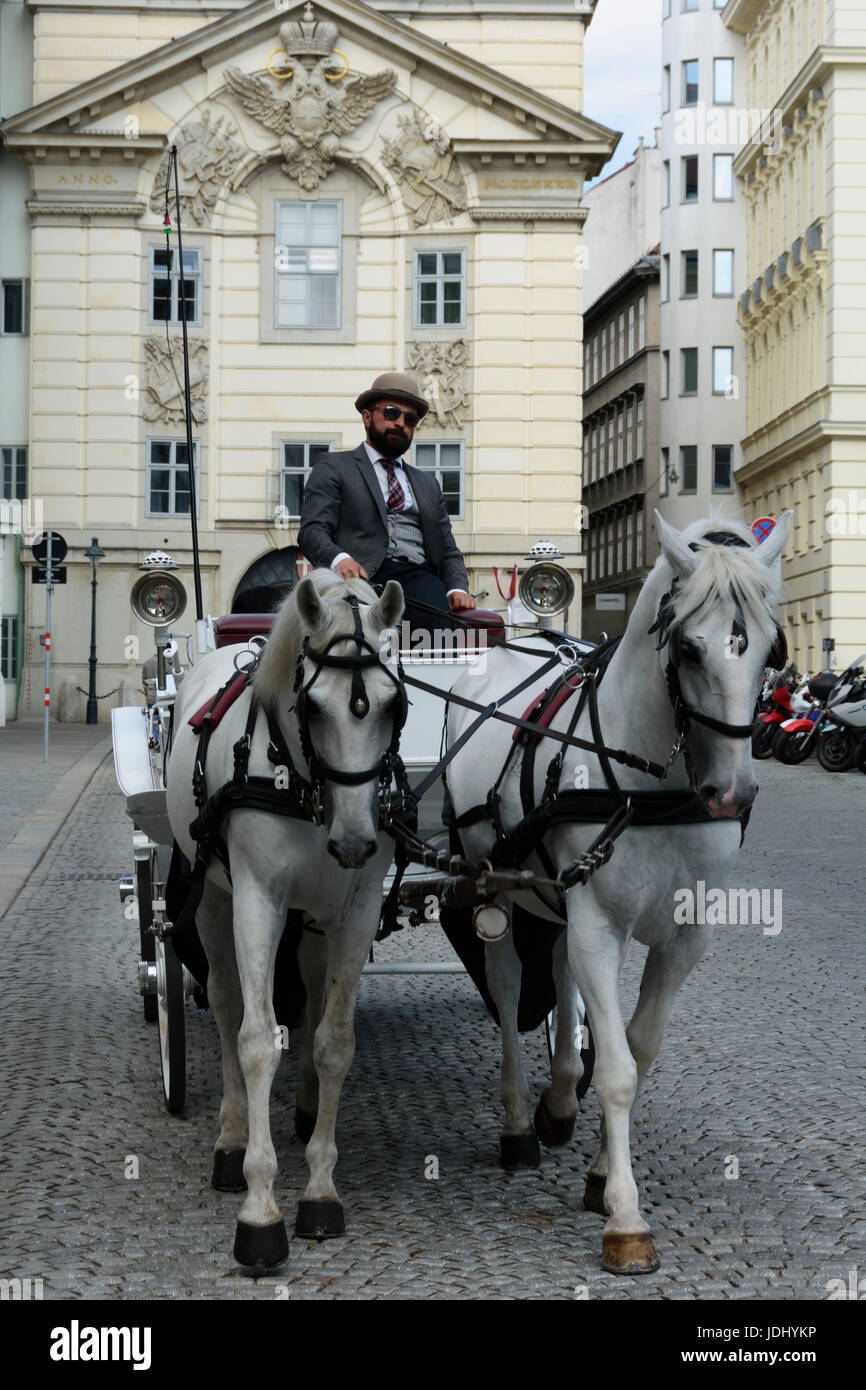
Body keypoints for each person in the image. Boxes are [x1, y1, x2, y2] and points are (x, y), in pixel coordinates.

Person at [297, 372, 475, 636]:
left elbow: (448, 549)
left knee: (439, 627)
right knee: (350, 639)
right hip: (356, 580)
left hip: (417, 579)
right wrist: (340, 560)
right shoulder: (334, 466)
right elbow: (312, 531)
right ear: (367, 417)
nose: (401, 423)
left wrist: (457, 587)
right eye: (391, 413)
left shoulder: (428, 484)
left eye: (410, 419)